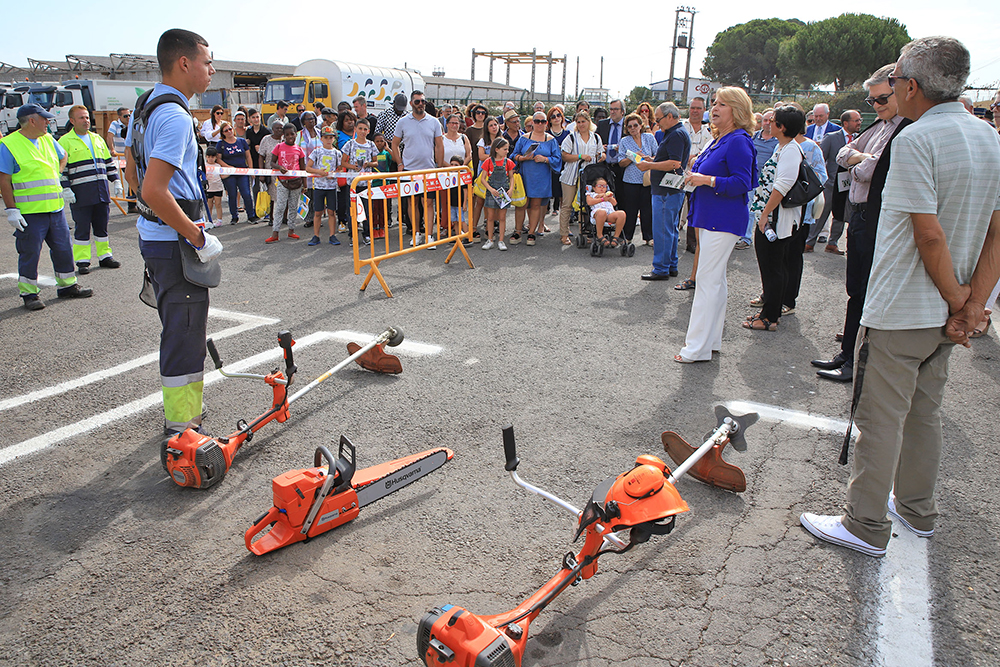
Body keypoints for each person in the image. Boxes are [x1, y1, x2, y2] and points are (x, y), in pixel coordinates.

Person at [800, 36, 1000, 558]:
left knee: (879, 417)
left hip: (906, 306)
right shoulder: (988, 137)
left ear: (910, 86)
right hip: (949, 312)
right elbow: (996, 232)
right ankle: (916, 509)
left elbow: (926, 234)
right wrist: (973, 306)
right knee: (925, 413)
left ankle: (864, 523)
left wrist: (961, 301)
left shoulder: (915, 139)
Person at [123, 29, 222, 441]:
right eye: (207, 61)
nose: (212, 70)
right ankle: (183, 428)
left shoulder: (145, 104)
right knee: (184, 333)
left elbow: (131, 171)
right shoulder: (177, 116)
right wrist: (196, 237)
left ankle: (184, 414)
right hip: (174, 240)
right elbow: (153, 189)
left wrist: (155, 218)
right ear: (184, 63)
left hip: (156, 233)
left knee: (178, 326)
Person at [810, 64, 906, 382]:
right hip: (861, 215)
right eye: (871, 101)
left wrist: (858, 162)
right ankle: (846, 354)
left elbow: (869, 171)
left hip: (879, 218)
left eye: (881, 99)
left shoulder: (904, 128)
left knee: (867, 292)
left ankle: (855, 362)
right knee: (856, 291)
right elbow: (844, 156)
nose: (876, 106)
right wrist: (860, 160)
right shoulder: (880, 126)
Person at [672, 87, 757, 362]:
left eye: (722, 104)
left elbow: (744, 182)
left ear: (737, 110)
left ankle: (696, 348)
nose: (715, 108)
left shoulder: (738, 141)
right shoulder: (722, 138)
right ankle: (710, 342)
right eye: (714, 103)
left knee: (707, 282)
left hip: (722, 219)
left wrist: (706, 180)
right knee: (715, 281)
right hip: (711, 217)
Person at [2, 103, 94, 310]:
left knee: (63, 249)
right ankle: (29, 293)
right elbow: (4, 180)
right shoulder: (9, 144)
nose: (48, 122)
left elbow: (63, 157)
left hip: (55, 208)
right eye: (44, 119)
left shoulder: (47, 139)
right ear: (31, 121)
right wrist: (11, 209)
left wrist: (57, 173)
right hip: (29, 212)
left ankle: (68, 286)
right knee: (30, 252)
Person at [744, 105, 807, 332]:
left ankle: (770, 317)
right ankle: (768, 311)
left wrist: (764, 216)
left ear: (782, 126)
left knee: (773, 268)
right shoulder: (783, 147)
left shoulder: (791, 150)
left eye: (774, 121)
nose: (769, 123)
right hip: (772, 217)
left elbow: (781, 187)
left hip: (776, 220)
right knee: (771, 267)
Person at [58, 104, 121, 274]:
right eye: (81, 118)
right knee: (82, 227)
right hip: (81, 194)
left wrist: (116, 181)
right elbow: (61, 169)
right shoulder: (64, 141)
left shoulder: (97, 138)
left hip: (100, 191)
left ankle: (105, 256)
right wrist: (66, 188)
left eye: (87, 117)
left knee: (102, 227)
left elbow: (108, 162)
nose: (86, 121)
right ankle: (83, 260)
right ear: (72, 121)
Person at [638, 103, 689, 280]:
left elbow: (675, 163)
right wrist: (653, 160)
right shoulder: (676, 133)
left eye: (658, 119)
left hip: (666, 190)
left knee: (662, 229)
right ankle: (671, 265)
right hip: (671, 187)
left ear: (669, 116)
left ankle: (661, 268)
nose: (657, 123)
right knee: (670, 228)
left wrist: (649, 165)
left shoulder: (675, 134)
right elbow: (672, 160)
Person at [392, 90, 443, 246]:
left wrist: (439, 167)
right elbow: (394, 144)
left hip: (428, 170)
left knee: (428, 203)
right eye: (417, 102)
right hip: (409, 170)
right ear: (411, 104)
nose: (421, 104)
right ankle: (416, 233)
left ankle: (429, 236)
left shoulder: (434, 122)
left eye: (423, 101)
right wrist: (400, 163)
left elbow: (439, 145)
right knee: (412, 203)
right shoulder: (402, 122)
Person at [807, 109, 862, 253]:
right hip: (831, 185)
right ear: (846, 123)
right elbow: (820, 159)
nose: (859, 123)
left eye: (859, 120)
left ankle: (833, 243)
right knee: (822, 214)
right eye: (856, 120)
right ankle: (809, 242)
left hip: (850, 185)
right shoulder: (831, 137)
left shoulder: (861, 138)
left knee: (841, 214)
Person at [511, 111, 562, 246]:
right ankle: (517, 231)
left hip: (542, 177)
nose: (540, 124)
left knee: (535, 205)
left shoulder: (551, 140)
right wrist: (523, 158)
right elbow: (513, 155)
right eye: (537, 121)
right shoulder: (524, 138)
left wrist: (545, 159)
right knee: (521, 204)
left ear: (547, 123)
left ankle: (532, 232)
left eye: (543, 121)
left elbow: (558, 159)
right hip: (525, 175)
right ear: (532, 123)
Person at [559, 110, 604, 246]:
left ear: (588, 122)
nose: (581, 124)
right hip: (571, 176)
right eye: (578, 122)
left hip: (589, 176)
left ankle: (584, 233)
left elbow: (601, 153)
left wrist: (601, 156)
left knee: (585, 205)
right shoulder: (571, 137)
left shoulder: (596, 137)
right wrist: (580, 156)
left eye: (583, 121)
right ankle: (564, 234)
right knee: (567, 205)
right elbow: (564, 156)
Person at [736, 109, 778, 250]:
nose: (766, 123)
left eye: (769, 120)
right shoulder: (752, 137)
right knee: (749, 210)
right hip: (751, 180)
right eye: (764, 120)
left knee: (766, 212)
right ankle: (746, 238)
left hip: (769, 183)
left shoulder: (777, 142)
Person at [617, 112, 657, 244]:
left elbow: (657, 156)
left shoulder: (649, 138)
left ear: (641, 125)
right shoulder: (624, 141)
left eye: (635, 125)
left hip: (647, 179)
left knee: (647, 209)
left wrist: (649, 159)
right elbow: (621, 162)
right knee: (631, 209)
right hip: (630, 180)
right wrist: (633, 157)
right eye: (629, 126)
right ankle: (627, 236)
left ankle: (648, 237)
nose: (633, 128)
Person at [341, 117, 377, 244]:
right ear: (355, 129)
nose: (362, 131)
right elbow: (343, 162)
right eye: (360, 128)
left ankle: (367, 234)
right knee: (352, 210)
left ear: (368, 131)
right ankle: (353, 235)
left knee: (367, 210)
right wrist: (353, 167)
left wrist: (369, 164)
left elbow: (376, 162)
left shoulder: (371, 144)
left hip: (366, 183)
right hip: (352, 183)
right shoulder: (350, 144)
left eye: (365, 129)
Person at [267, 124, 305, 243]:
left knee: (293, 207)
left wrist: (305, 185)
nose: (290, 136)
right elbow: (271, 163)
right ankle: (275, 232)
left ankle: (291, 230)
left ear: (296, 134)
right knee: (280, 207)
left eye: (292, 134)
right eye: (287, 134)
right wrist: (279, 167)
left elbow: (303, 168)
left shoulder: (299, 149)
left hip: (296, 182)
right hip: (283, 182)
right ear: (283, 135)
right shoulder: (279, 147)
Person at [305, 125, 342, 246]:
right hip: (319, 187)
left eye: (331, 137)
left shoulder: (337, 153)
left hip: (331, 187)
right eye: (326, 137)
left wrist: (335, 174)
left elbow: (341, 168)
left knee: (332, 212)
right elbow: (308, 168)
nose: (328, 140)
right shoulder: (317, 151)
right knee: (318, 212)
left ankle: (332, 235)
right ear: (321, 138)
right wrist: (319, 172)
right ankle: (316, 236)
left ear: (334, 139)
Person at [215, 121, 258, 225]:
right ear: (223, 133)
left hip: (242, 171)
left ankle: (251, 215)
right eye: (226, 130)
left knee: (246, 193)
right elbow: (218, 159)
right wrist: (228, 167)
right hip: (229, 174)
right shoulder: (221, 144)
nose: (229, 131)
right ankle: (234, 216)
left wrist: (251, 169)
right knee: (232, 194)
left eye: (230, 129)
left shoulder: (241, 141)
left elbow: (248, 156)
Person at [479, 137, 515, 250]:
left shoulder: (508, 162)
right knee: (490, 217)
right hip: (492, 192)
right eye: (505, 149)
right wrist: (490, 189)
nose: (507, 151)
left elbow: (511, 177)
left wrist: (511, 189)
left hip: (504, 192)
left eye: (507, 149)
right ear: (497, 149)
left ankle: (501, 240)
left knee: (502, 217)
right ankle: (490, 239)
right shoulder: (488, 161)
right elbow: (483, 179)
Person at [474, 115, 503, 239]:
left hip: (497, 175)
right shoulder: (483, 141)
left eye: (495, 124)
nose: (493, 127)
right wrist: (495, 156)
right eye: (491, 125)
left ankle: (489, 228)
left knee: (492, 202)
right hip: (484, 174)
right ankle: (474, 227)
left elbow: (504, 156)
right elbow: (481, 156)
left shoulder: (502, 140)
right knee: (480, 201)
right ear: (486, 127)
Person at [257, 120, 285, 224]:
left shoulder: (285, 139)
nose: (279, 130)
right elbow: (261, 156)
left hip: (283, 171)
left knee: (284, 196)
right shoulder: (266, 139)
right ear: (272, 129)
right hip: (270, 172)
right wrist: (262, 172)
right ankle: (271, 218)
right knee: (272, 196)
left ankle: (284, 218)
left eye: (281, 128)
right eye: (277, 128)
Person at [587, 177, 626, 248]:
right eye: (599, 186)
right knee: (602, 212)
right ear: (594, 188)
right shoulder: (591, 194)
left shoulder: (608, 195)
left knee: (622, 213)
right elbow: (589, 202)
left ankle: (616, 237)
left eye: (604, 186)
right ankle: (599, 235)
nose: (602, 188)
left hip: (609, 214)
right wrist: (602, 199)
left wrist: (609, 197)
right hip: (598, 214)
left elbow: (614, 203)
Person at [546, 106, 570, 220]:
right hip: (547, 168)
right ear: (549, 120)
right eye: (553, 116)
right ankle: (540, 225)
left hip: (564, 167)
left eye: (558, 115)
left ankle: (564, 226)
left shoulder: (568, 134)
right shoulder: (545, 134)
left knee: (564, 198)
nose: (556, 118)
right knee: (544, 197)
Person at [596, 99, 626, 187]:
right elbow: (595, 142)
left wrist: (622, 148)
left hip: (622, 168)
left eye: (616, 109)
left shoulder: (628, 125)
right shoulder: (602, 124)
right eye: (611, 109)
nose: (612, 112)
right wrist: (601, 147)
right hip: (605, 166)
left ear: (622, 111)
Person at [245, 108, 269, 204]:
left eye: (257, 117)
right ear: (250, 119)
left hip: (265, 163)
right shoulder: (249, 131)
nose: (256, 119)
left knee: (267, 187)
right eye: (253, 117)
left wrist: (262, 149)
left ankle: (268, 210)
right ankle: (257, 208)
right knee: (255, 188)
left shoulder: (266, 131)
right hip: (253, 162)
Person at [203, 146, 225, 226]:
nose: (210, 158)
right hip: (209, 188)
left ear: (216, 157)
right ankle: (209, 219)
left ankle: (219, 220)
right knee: (209, 204)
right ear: (206, 157)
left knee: (218, 204)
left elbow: (222, 175)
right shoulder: (204, 166)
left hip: (218, 187)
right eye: (208, 157)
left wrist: (231, 172)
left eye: (212, 157)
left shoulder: (218, 166)